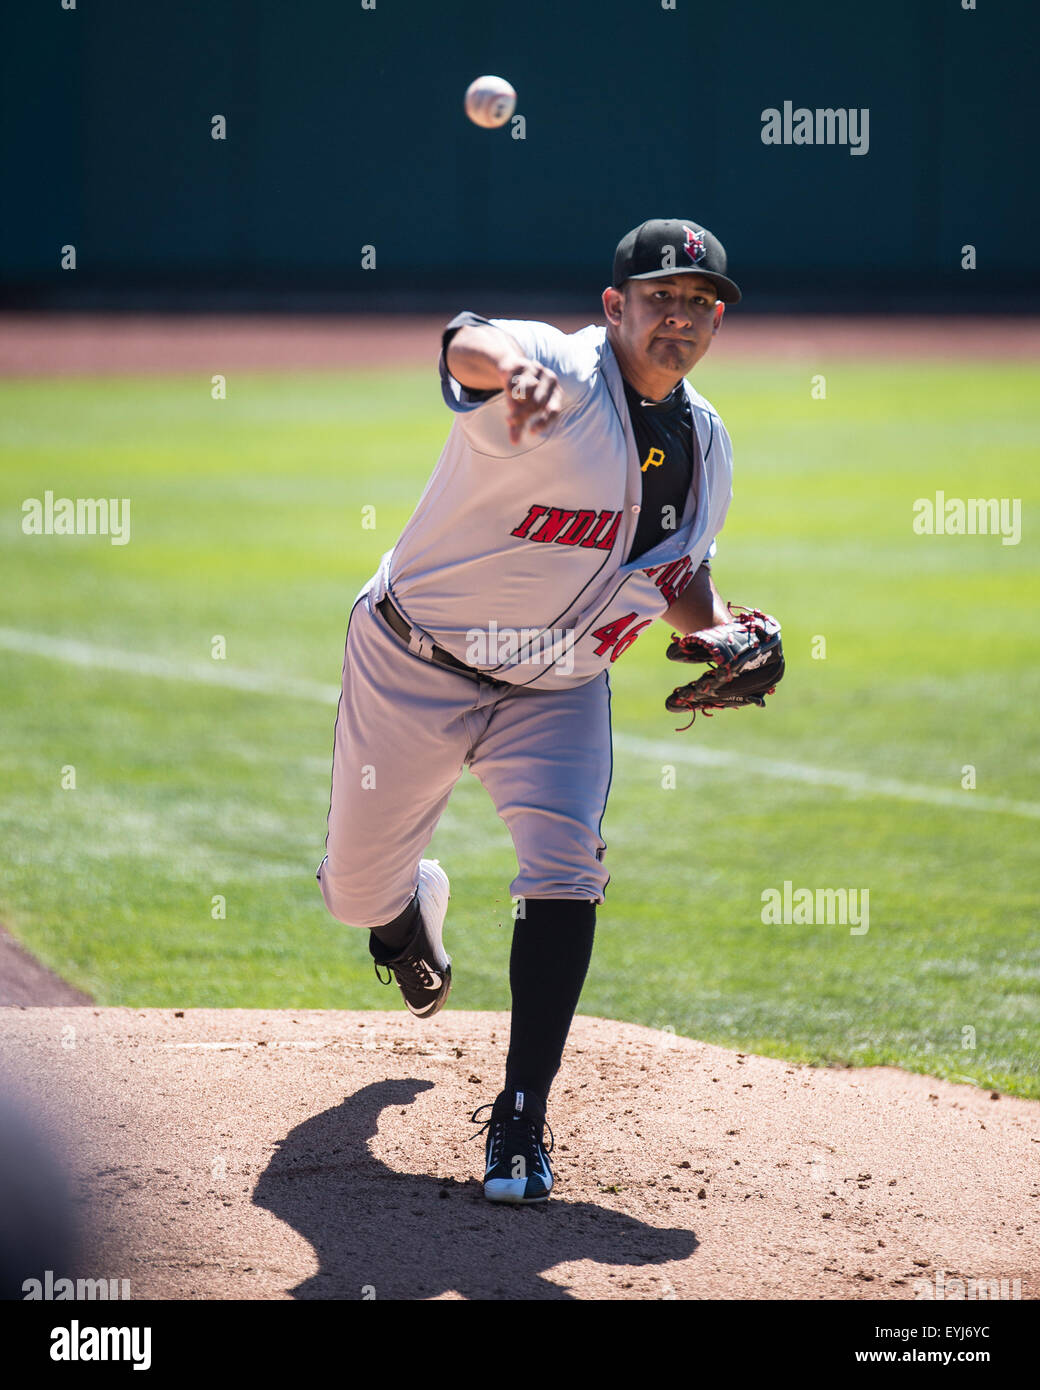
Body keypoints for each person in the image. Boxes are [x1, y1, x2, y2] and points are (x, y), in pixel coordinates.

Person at [317, 218, 742, 1204]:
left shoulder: (701, 442)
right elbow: (464, 337)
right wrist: (516, 369)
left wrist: (720, 632)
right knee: (351, 891)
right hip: (412, 659)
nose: (677, 317)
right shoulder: (555, 370)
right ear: (613, 307)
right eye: (659, 297)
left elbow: (677, 577)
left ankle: (519, 1116)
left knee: (566, 868)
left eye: (699, 303)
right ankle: (400, 916)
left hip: (555, 691)